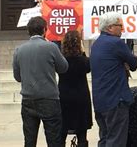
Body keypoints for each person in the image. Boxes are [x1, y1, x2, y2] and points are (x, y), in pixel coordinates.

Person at [13, 16, 69, 147]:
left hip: (28, 98)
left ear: (28, 31)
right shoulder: (51, 47)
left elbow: (17, 77)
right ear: (45, 30)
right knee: (53, 138)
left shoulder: (19, 50)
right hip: (48, 98)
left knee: (29, 139)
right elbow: (64, 68)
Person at [90, 12, 137, 147]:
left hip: (100, 99)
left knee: (104, 138)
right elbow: (134, 64)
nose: (122, 29)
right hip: (116, 99)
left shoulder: (96, 44)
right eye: (120, 26)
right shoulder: (116, 43)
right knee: (116, 140)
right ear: (110, 27)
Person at [58, 30, 92, 147]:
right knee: (82, 133)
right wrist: (82, 52)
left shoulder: (61, 60)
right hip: (80, 96)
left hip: (64, 96)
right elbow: (88, 67)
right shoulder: (83, 60)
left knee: (61, 133)